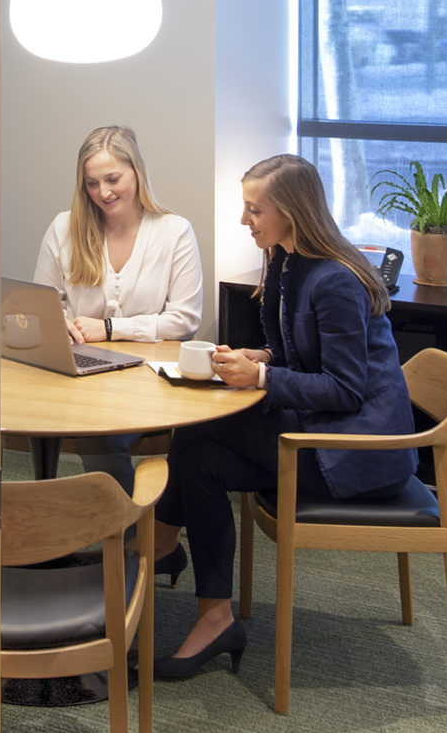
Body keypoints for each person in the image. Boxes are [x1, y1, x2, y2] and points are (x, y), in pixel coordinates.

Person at [151, 153, 417, 679]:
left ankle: (155, 547)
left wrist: (263, 380)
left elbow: (344, 388)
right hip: (317, 433)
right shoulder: (286, 263)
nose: (243, 221)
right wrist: (262, 358)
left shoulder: (335, 280)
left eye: (254, 210)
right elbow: (303, 355)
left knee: (199, 427)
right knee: (200, 457)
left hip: (354, 452)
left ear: (291, 213)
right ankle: (213, 614)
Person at [33, 125, 202, 491]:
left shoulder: (175, 232)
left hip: (147, 379)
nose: (103, 193)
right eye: (91, 183)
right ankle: (49, 532)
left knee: (99, 431)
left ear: (137, 172)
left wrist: (109, 329)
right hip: (77, 373)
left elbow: (185, 321)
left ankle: (129, 542)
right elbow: (43, 304)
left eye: (112, 179)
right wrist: (60, 324)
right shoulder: (64, 228)